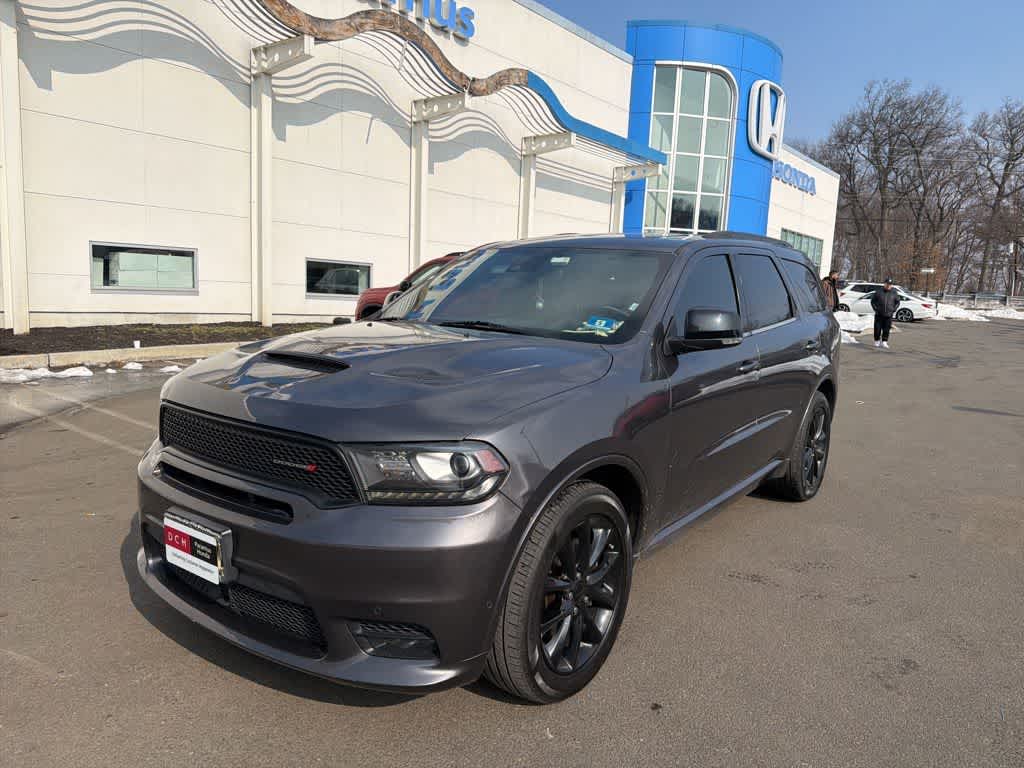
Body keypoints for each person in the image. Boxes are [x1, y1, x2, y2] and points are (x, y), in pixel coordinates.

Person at [870, 278, 901, 349]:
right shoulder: (878, 291)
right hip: (879, 314)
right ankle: (877, 341)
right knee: (877, 329)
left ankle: (884, 341)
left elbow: (897, 302)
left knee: (886, 329)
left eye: (890, 284)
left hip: (888, 315)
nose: (888, 286)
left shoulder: (894, 292)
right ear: (884, 284)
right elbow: (873, 301)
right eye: (887, 284)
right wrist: (876, 309)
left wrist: (894, 309)